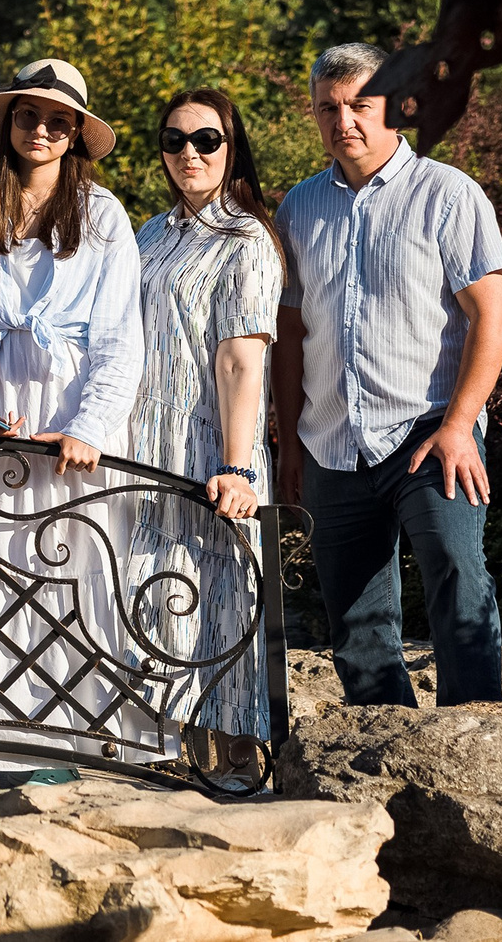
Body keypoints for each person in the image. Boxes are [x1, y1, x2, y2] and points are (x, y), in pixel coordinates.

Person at [273, 42, 502, 709]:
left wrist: (462, 424)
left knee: (458, 575)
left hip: (430, 430)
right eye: (328, 107)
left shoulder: (447, 194)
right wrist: (290, 444)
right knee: (355, 623)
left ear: (396, 108)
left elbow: (493, 315)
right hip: (331, 442)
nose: (342, 119)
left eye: (359, 104)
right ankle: (386, 771)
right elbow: (289, 336)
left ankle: (476, 744)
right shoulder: (297, 209)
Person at [0, 58, 145, 772]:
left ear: (78, 134)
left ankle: (76, 749)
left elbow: (119, 333)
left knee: (73, 572)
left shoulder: (103, 214)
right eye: (31, 116)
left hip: (70, 412)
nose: (43, 130)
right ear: (9, 122)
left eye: (60, 121)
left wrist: (90, 425)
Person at [126, 88, 285, 760]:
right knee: (160, 598)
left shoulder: (245, 237)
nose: (188, 152)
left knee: (223, 604)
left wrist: (238, 463)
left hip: (214, 449)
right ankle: (173, 761)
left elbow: (240, 358)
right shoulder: (151, 233)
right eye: (174, 139)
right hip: (148, 448)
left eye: (206, 139)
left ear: (232, 147)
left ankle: (239, 775)